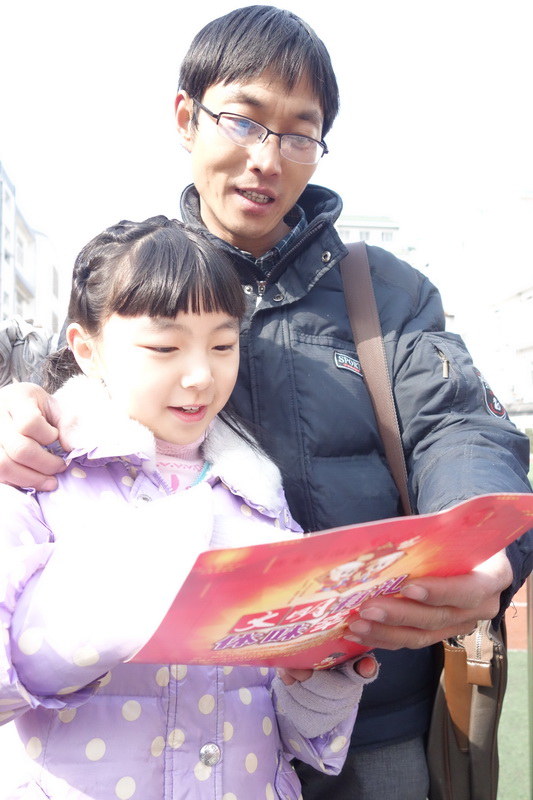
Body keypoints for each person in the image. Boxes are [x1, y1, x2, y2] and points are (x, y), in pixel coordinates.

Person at [0, 6, 531, 799]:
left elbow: (458, 426)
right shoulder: (136, 276)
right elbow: (53, 401)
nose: (266, 158)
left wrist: (486, 553)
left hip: (367, 709)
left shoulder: (387, 293)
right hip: (150, 736)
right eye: (243, 120)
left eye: (298, 133)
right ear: (186, 117)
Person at [0, 215, 378, 800]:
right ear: (86, 349)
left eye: (223, 345)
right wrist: (132, 586)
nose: (201, 375)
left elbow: (289, 732)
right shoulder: (38, 474)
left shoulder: (259, 496)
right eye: (165, 347)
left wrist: (320, 683)